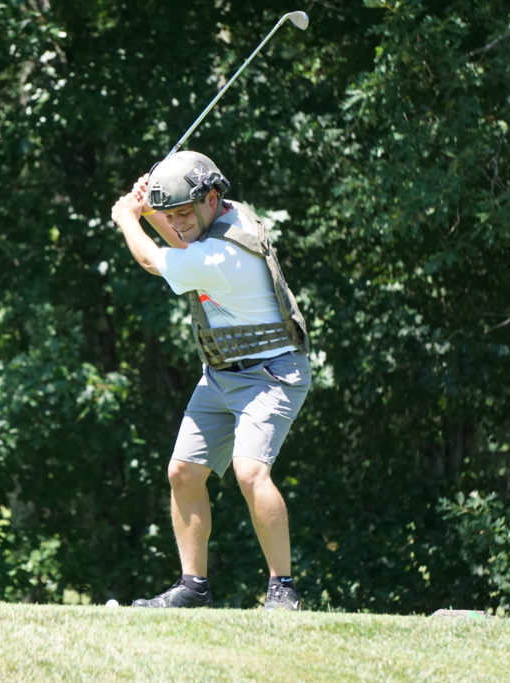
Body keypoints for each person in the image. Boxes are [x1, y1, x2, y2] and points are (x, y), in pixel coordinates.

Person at [110, 150, 311, 610]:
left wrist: (129, 217)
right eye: (171, 215)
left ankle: (284, 589)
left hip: (272, 376)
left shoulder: (221, 253)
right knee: (182, 472)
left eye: (184, 212)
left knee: (250, 471)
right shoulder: (224, 216)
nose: (177, 223)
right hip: (221, 373)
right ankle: (193, 587)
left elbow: (152, 261)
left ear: (211, 197)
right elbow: (184, 244)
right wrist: (153, 210)